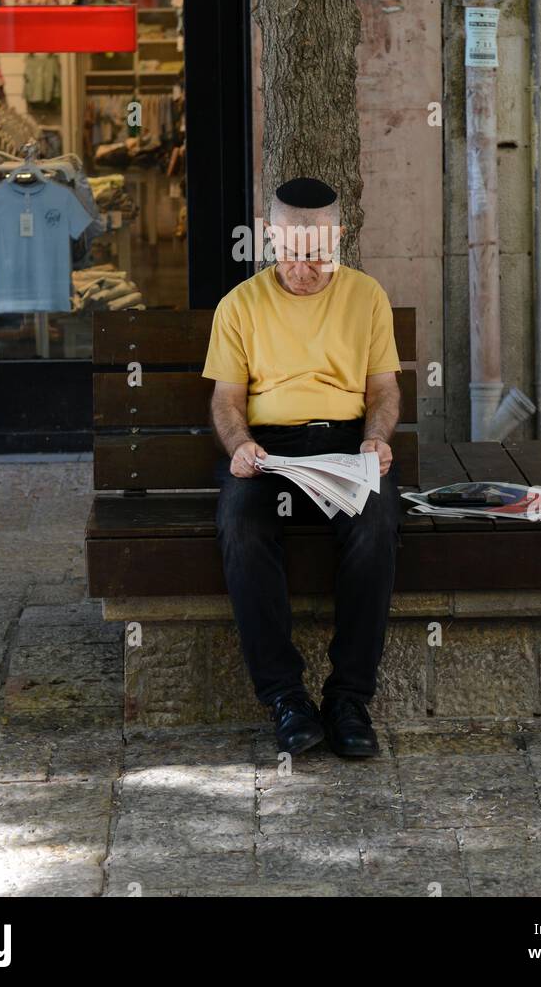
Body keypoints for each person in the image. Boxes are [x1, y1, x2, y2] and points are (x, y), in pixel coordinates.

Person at [202, 177, 402, 758]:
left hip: (346, 442)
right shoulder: (240, 306)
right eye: (292, 253)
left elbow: (384, 390)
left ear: (337, 239)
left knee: (376, 523)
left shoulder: (367, 297)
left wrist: (376, 439)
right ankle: (285, 697)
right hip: (268, 448)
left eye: (317, 255)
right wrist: (239, 444)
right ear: (269, 238)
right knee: (241, 522)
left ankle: (349, 698)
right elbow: (225, 400)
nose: (304, 268)